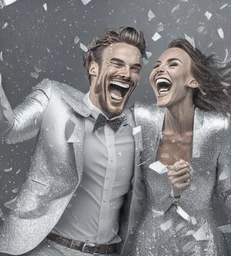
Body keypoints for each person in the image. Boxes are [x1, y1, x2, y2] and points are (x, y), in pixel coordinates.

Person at [0, 26, 146, 256]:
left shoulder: (139, 125)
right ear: (93, 67)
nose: (127, 74)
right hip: (48, 249)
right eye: (117, 64)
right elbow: (8, 130)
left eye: (134, 68)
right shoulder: (55, 98)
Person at [131, 39, 231, 255]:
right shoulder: (140, 118)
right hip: (151, 244)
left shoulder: (219, 126)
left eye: (172, 64)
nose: (160, 69)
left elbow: (230, 190)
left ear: (193, 80)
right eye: (157, 65)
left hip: (203, 246)